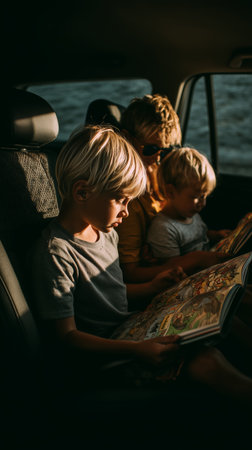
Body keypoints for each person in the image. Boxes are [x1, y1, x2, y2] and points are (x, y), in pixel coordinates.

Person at [30, 124, 252, 404]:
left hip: (132, 325)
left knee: (222, 308)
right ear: (83, 192)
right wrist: (136, 350)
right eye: (121, 200)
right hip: (106, 356)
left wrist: (152, 286)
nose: (126, 210)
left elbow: (112, 294)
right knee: (206, 361)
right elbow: (68, 338)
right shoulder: (55, 254)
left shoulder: (106, 232)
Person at [117, 94, 226, 283]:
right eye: (151, 149)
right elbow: (130, 274)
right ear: (127, 138)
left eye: (166, 150)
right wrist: (195, 259)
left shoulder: (161, 174)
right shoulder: (129, 201)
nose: (159, 158)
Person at [147, 146, 232, 275]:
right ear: (171, 192)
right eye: (195, 197)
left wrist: (214, 235)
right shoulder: (164, 228)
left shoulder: (191, 214)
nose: (202, 203)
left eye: (204, 196)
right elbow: (171, 268)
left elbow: (198, 237)